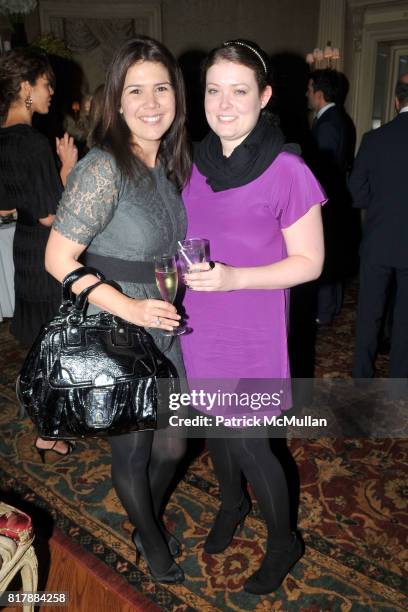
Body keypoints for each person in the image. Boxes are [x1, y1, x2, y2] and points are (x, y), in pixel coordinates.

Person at [181, 40, 325, 594]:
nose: (223, 103)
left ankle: (285, 541)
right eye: (214, 90)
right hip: (200, 324)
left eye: (239, 91)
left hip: (252, 329)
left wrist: (235, 276)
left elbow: (311, 263)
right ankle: (231, 504)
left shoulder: (286, 168)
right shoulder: (192, 161)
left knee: (248, 442)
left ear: (264, 96)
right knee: (215, 429)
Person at [45, 36, 191, 584]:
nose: (150, 102)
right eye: (136, 90)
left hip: (162, 323)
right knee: (134, 453)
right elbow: (58, 258)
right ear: (118, 100)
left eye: (161, 88)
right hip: (117, 326)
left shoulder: (168, 163)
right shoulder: (102, 167)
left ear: (176, 96)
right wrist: (130, 307)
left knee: (174, 444)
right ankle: (151, 540)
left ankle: (143, 520)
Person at [0, 48, 77, 459]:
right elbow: (52, 215)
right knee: (55, 342)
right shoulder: (32, 143)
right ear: (26, 87)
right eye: (46, 84)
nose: (51, 92)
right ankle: (48, 429)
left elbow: (5, 206)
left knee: (41, 341)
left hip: (23, 249)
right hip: (46, 253)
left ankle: (45, 418)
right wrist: (66, 170)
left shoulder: (3, 139)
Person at [350, 73, 408, 380]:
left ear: (397, 102)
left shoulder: (374, 139)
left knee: (369, 314)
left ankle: (361, 375)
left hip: (379, 240)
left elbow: (357, 193)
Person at [306, 69, 356, 324]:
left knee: (324, 253)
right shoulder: (342, 118)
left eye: (310, 88)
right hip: (339, 197)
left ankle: (323, 313)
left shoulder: (327, 124)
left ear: (319, 93)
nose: (307, 93)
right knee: (333, 251)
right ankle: (331, 308)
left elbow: (322, 169)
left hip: (327, 199)